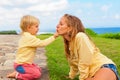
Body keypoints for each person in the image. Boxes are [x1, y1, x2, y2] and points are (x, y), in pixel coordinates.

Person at [56, 14, 120, 80]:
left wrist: (83, 78)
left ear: (70, 28)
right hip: (92, 75)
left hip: (103, 67)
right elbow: (73, 64)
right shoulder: (69, 44)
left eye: (61, 24)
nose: (57, 26)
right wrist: (71, 76)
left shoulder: (80, 36)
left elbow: (85, 60)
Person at [7, 15, 58, 80]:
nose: (38, 28)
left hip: (24, 64)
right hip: (21, 66)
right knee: (37, 74)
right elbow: (43, 43)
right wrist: (54, 37)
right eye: (36, 26)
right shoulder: (29, 38)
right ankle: (17, 75)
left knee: (38, 69)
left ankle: (20, 71)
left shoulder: (26, 36)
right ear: (29, 27)